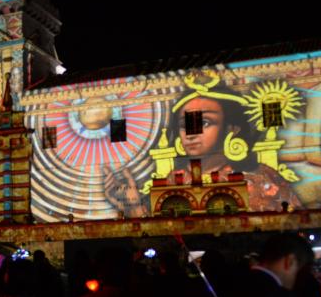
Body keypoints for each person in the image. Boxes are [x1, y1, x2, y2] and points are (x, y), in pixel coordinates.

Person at [104, 78, 302, 216]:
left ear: (231, 129)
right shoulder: (172, 181)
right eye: (185, 125)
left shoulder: (260, 178)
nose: (191, 132)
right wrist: (132, 204)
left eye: (204, 122)